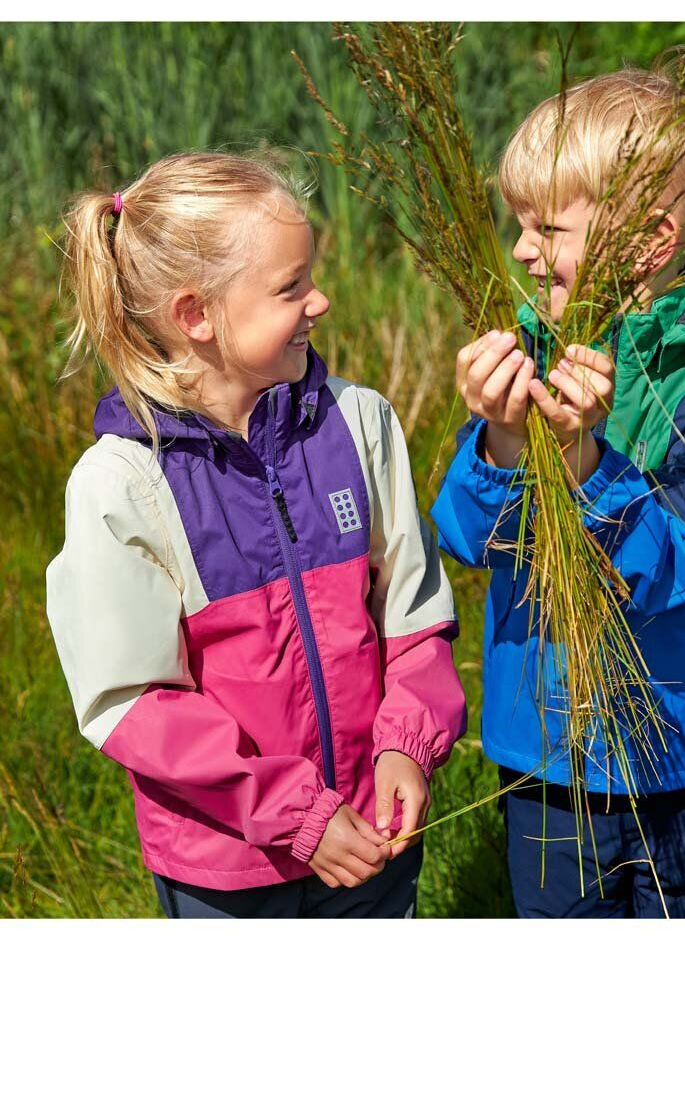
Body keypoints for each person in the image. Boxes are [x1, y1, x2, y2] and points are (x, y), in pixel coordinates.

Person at [46, 151, 466, 919]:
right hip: (227, 873)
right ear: (196, 315)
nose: (320, 301)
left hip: (375, 839)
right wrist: (298, 815)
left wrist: (407, 741)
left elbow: (411, 614)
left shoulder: (358, 422)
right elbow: (133, 700)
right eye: (290, 287)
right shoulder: (121, 485)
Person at [431, 68, 685, 918]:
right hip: (550, 747)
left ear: (647, 242)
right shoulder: (529, 349)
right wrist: (504, 438)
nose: (520, 250)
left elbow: (682, 562)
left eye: (545, 227)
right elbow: (466, 536)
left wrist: (586, 465)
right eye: (518, 224)